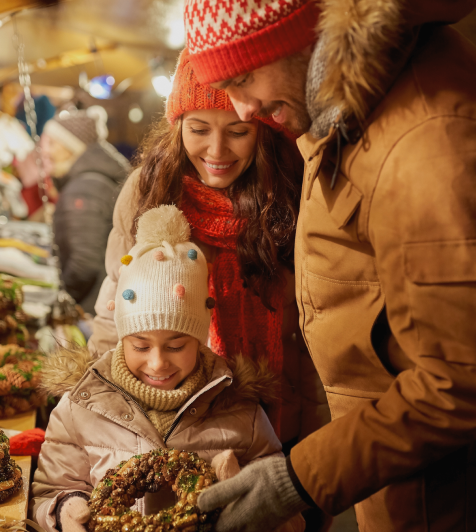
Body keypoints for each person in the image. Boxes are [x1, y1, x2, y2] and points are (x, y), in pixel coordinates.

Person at [182, 0, 476, 530]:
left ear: (301, 38)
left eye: (244, 79)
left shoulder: (430, 144)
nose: (244, 109)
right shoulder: (349, 99)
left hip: (439, 499)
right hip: (395, 467)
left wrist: (298, 477)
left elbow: (461, 379)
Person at [87, 51, 329, 449]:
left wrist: (316, 445)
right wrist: (103, 408)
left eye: (237, 132)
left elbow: (312, 334)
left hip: (281, 410)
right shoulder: (148, 191)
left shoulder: (292, 194)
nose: (217, 151)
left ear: (262, 130)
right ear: (178, 125)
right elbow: (117, 307)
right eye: (199, 129)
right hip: (176, 416)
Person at [31, 205, 303, 532]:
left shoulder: (242, 411)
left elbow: (291, 517)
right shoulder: (81, 407)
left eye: (176, 346)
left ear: (201, 340)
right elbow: (49, 490)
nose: (158, 362)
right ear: (122, 338)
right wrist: (65, 509)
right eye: (140, 346)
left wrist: (242, 492)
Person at [46, 111, 130, 319]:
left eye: (53, 144)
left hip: (93, 309)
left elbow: (84, 262)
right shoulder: (93, 179)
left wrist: (65, 299)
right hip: (104, 302)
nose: (47, 152)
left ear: (70, 147)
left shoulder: (85, 188)